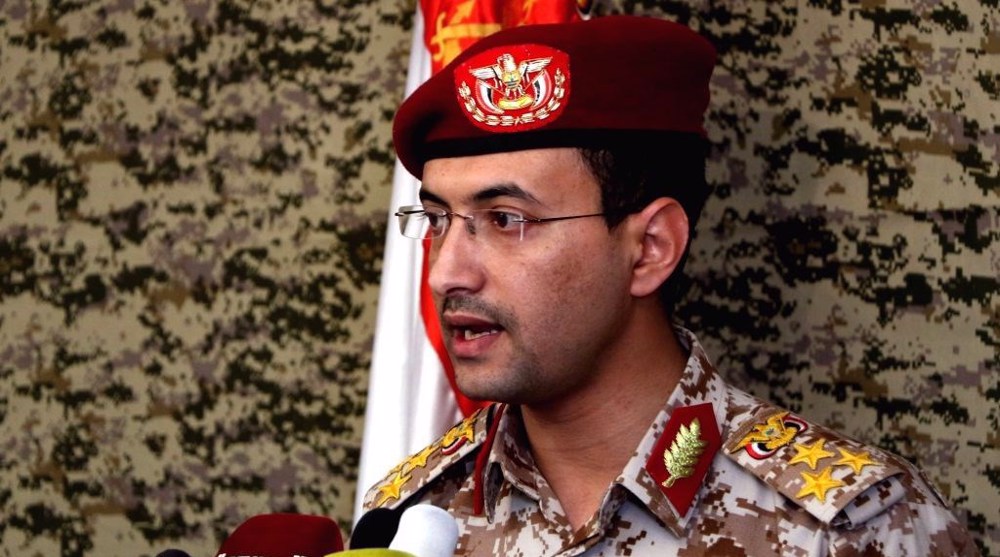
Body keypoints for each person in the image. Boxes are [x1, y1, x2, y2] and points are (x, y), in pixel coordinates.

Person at [360, 15, 977, 556]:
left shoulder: (847, 529)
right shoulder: (410, 518)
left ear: (651, 248)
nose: (446, 272)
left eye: (507, 220)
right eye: (438, 220)